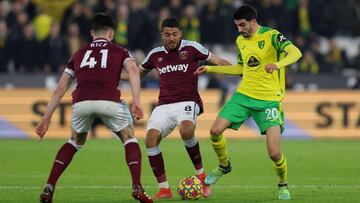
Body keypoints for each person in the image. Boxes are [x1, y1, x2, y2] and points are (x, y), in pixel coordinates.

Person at [35, 13, 152, 203]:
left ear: (92, 33)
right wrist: (137, 102)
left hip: (81, 103)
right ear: (111, 34)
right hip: (109, 102)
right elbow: (132, 71)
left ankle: (49, 187)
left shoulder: (79, 54)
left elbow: (60, 88)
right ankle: (137, 187)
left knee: (74, 141)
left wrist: (46, 119)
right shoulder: (120, 51)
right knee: (129, 138)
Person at [194, 5, 302, 200]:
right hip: (243, 95)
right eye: (237, 26)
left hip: (269, 101)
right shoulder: (240, 40)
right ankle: (224, 166)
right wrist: (210, 69)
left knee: (274, 152)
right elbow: (240, 69)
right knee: (215, 131)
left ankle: (283, 184)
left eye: (242, 25)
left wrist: (277, 64)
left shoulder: (272, 36)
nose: (240, 30)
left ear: (253, 21)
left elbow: (296, 53)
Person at [122, 17, 231, 200]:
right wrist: (107, 74)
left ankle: (202, 177)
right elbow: (135, 75)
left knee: (186, 130)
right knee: (150, 140)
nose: (171, 38)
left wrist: (240, 70)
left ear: (180, 33)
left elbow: (218, 61)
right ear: (162, 35)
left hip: (188, 101)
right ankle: (164, 189)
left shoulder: (192, 48)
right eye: (167, 35)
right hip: (164, 105)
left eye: (174, 34)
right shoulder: (155, 54)